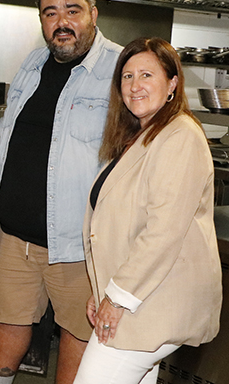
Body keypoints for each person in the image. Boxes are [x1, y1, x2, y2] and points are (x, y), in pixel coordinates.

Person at [0, 0, 121, 384]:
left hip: (78, 245)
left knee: (78, 332)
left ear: (93, 13)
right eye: (50, 13)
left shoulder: (119, 69)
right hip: (14, 236)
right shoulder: (33, 63)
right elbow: (5, 129)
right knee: (7, 322)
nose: (61, 22)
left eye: (72, 11)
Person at [73, 38, 221, 384]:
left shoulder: (179, 136)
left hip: (150, 304)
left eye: (146, 75)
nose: (135, 86)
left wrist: (117, 298)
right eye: (127, 77)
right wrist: (102, 290)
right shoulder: (140, 136)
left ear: (172, 83)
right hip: (138, 300)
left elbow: (163, 231)